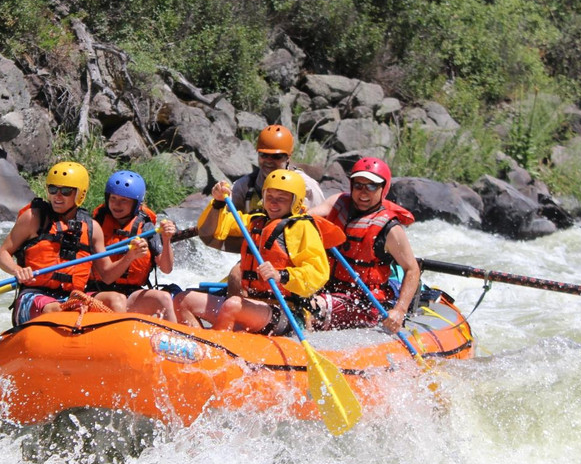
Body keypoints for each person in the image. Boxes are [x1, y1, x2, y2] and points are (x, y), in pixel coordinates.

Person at [175, 170, 330, 334]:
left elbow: (318, 272)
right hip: (252, 306)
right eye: (269, 197)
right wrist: (218, 203)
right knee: (184, 300)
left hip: (286, 313)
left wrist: (282, 275)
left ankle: (217, 348)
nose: (273, 203)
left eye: (281, 199)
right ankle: (196, 346)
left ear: (296, 201)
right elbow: (215, 228)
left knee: (233, 305)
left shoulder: (302, 228)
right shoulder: (255, 222)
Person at [0, 161, 142, 325]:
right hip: (34, 295)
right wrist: (17, 270)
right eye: (53, 189)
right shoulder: (34, 218)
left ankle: (115, 345)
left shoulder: (92, 228)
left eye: (65, 191)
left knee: (117, 300)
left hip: (72, 297)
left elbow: (107, 275)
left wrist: (131, 256)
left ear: (80, 194)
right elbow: (2, 254)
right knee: (58, 309)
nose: (57, 196)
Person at [307, 157, 420, 333]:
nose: (363, 193)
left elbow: (412, 269)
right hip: (328, 288)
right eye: (358, 185)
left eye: (372, 186)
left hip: (364, 302)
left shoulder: (390, 229)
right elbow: (308, 217)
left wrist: (400, 310)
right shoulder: (338, 203)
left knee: (310, 308)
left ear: (384, 188)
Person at [197, 123, 324, 251]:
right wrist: (219, 201)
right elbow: (218, 226)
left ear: (288, 157)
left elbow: (319, 231)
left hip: (297, 251)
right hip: (260, 248)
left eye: (276, 156)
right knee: (235, 270)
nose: (269, 160)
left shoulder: (307, 187)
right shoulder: (244, 186)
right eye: (264, 155)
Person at [87, 170, 179, 321]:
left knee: (164, 298)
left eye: (124, 200)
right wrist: (130, 256)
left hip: (131, 293)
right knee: (117, 300)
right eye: (113, 198)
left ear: (136, 204)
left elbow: (166, 269)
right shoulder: (96, 225)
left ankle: (174, 341)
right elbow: (107, 278)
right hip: (97, 291)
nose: (116, 204)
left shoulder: (147, 228)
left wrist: (167, 239)